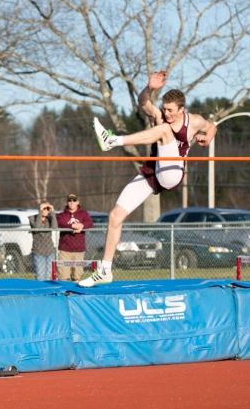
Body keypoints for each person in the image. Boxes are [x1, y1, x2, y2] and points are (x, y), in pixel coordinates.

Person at [78, 69, 216, 287]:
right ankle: (105, 270)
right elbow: (143, 102)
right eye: (164, 109)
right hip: (152, 173)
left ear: (182, 109)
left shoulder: (194, 121)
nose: (166, 114)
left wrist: (207, 139)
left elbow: (212, 127)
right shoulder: (160, 116)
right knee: (115, 216)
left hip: (172, 172)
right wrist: (150, 88)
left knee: (163, 130)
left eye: (171, 110)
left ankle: (113, 141)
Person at [55, 194, 93, 282]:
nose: (72, 203)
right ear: (67, 202)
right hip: (65, 249)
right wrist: (72, 225)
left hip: (79, 249)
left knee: (77, 275)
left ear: (77, 202)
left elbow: (90, 223)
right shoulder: (62, 214)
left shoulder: (83, 214)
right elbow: (60, 223)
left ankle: (75, 294)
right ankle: (64, 293)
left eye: (74, 201)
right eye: (70, 201)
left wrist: (81, 226)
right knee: (63, 274)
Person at [28, 200, 58, 281]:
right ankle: (39, 293)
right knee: (40, 277)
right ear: (40, 209)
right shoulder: (32, 218)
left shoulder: (49, 219)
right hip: (38, 252)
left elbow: (55, 227)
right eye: (44, 208)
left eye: (47, 208)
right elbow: (37, 227)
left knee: (48, 277)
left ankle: (47, 293)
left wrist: (52, 212)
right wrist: (41, 212)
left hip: (50, 252)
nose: (46, 210)